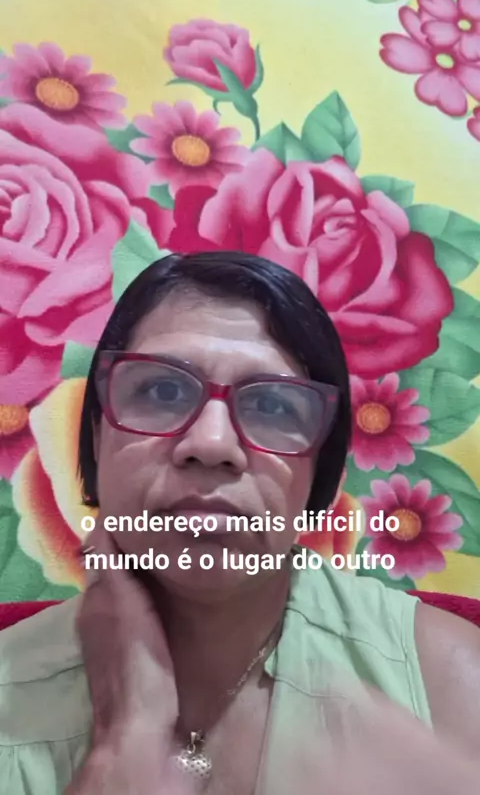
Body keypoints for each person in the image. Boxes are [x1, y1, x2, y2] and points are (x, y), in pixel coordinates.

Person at [0, 251, 479, 795]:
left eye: (273, 406)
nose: (211, 444)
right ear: (95, 436)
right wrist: (126, 741)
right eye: (161, 391)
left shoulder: (451, 684)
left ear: (318, 471)